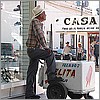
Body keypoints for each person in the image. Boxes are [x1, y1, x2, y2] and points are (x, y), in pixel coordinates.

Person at [25, 5, 63, 99]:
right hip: (33, 50)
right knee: (50, 54)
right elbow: (40, 35)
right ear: (40, 15)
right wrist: (46, 48)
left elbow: (38, 37)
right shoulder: (36, 21)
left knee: (32, 72)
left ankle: (29, 93)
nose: (45, 14)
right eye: (44, 13)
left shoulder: (36, 22)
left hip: (32, 50)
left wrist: (43, 48)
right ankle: (51, 76)